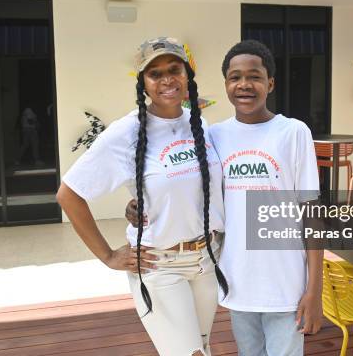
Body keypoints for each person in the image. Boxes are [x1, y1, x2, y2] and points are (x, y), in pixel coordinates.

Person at [127, 40, 323, 355]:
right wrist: (139, 203)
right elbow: (189, 188)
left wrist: (315, 289)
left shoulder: (293, 133)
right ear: (226, 85)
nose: (244, 84)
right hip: (237, 280)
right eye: (235, 77)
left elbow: (311, 212)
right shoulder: (213, 135)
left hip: (287, 285)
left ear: (270, 83)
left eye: (255, 76)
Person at [56, 37, 227, 356]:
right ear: (143, 83)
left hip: (206, 261)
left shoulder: (198, 123)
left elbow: (201, 188)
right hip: (160, 266)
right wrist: (107, 256)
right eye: (155, 73)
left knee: (202, 346)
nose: (167, 79)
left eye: (174, 69)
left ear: (187, 74)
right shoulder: (127, 133)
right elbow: (69, 194)